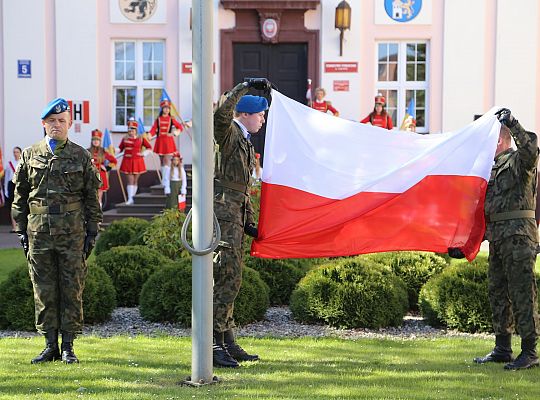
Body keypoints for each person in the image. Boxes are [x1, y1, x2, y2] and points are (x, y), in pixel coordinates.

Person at [11, 98, 102, 364]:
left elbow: (90, 197)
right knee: (43, 289)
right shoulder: (30, 155)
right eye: (52, 121)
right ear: (43, 124)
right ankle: (49, 344)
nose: (56, 125)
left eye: (61, 121)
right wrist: (20, 229)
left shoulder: (81, 155)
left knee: (72, 288)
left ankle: (68, 346)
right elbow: (20, 195)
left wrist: (92, 230)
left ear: (69, 124)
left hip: (72, 234)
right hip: (38, 234)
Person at [450, 109, 540, 370]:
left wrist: (513, 124)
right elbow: (487, 213)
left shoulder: (517, 162)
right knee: (498, 294)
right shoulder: (487, 170)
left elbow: (531, 148)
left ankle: (530, 351)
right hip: (499, 240)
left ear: (499, 140)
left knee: (522, 293)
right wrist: (466, 244)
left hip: (519, 240)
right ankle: (503, 348)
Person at [212, 78, 271, 368]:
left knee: (232, 280)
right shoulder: (229, 133)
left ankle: (228, 340)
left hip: (233, 217)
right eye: (259, 113)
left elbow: (242, 188)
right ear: (244, 113)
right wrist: (244, 87)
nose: (262, 119)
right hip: (222, 218)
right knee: (224, 279)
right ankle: (213, 344)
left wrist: (249, 222)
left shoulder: (243, 141)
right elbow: (220, 114)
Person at [149, 99, 184, 195]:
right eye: (165, 108)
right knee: (161, 161)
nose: (167, 110)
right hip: (160, 141)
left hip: (168, 142)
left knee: (166, 161)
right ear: (162, 109)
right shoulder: (158, 119)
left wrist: (175, 133)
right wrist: (149, 135)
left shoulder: (171, 119)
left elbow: (180, 127)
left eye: (168, 108)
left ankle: (165, 180)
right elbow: (153, 129)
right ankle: (164, 179)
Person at [119, 119, 152, 205]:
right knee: (130, 180)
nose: (131, 131)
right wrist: (112, 150)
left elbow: (149, 147)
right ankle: (130, 198)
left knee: (135, 181)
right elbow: (120, 149)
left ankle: (133, 197)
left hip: (138, 161)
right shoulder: (124, 139)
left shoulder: (141, 139)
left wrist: (143, 154)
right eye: (130, 130)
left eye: (133, 130)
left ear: (136, 130)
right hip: (127, 161)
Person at [88, 129, 117, 208]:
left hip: (101, 175)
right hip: (90, 176)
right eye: (94, 139)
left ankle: (98, 215)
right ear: (92, 141)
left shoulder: (104, 151)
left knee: (99, 196)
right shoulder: (87, 151)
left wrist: (107, 167)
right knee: (91, 196)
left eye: (97, 140)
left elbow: (114, 161)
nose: (96, 141)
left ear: (100, 141)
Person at [4, 146, 22, 232]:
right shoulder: (9, 164)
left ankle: (21, 226)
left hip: (20, 185)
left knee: (21, 206)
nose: (15, 154)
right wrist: (6, 190)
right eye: (14, 152)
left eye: (17, 152)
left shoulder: (23, 163)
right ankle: (14, 227)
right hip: (11, 185)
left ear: (20, 153)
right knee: (13, 207)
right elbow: (7, 178)